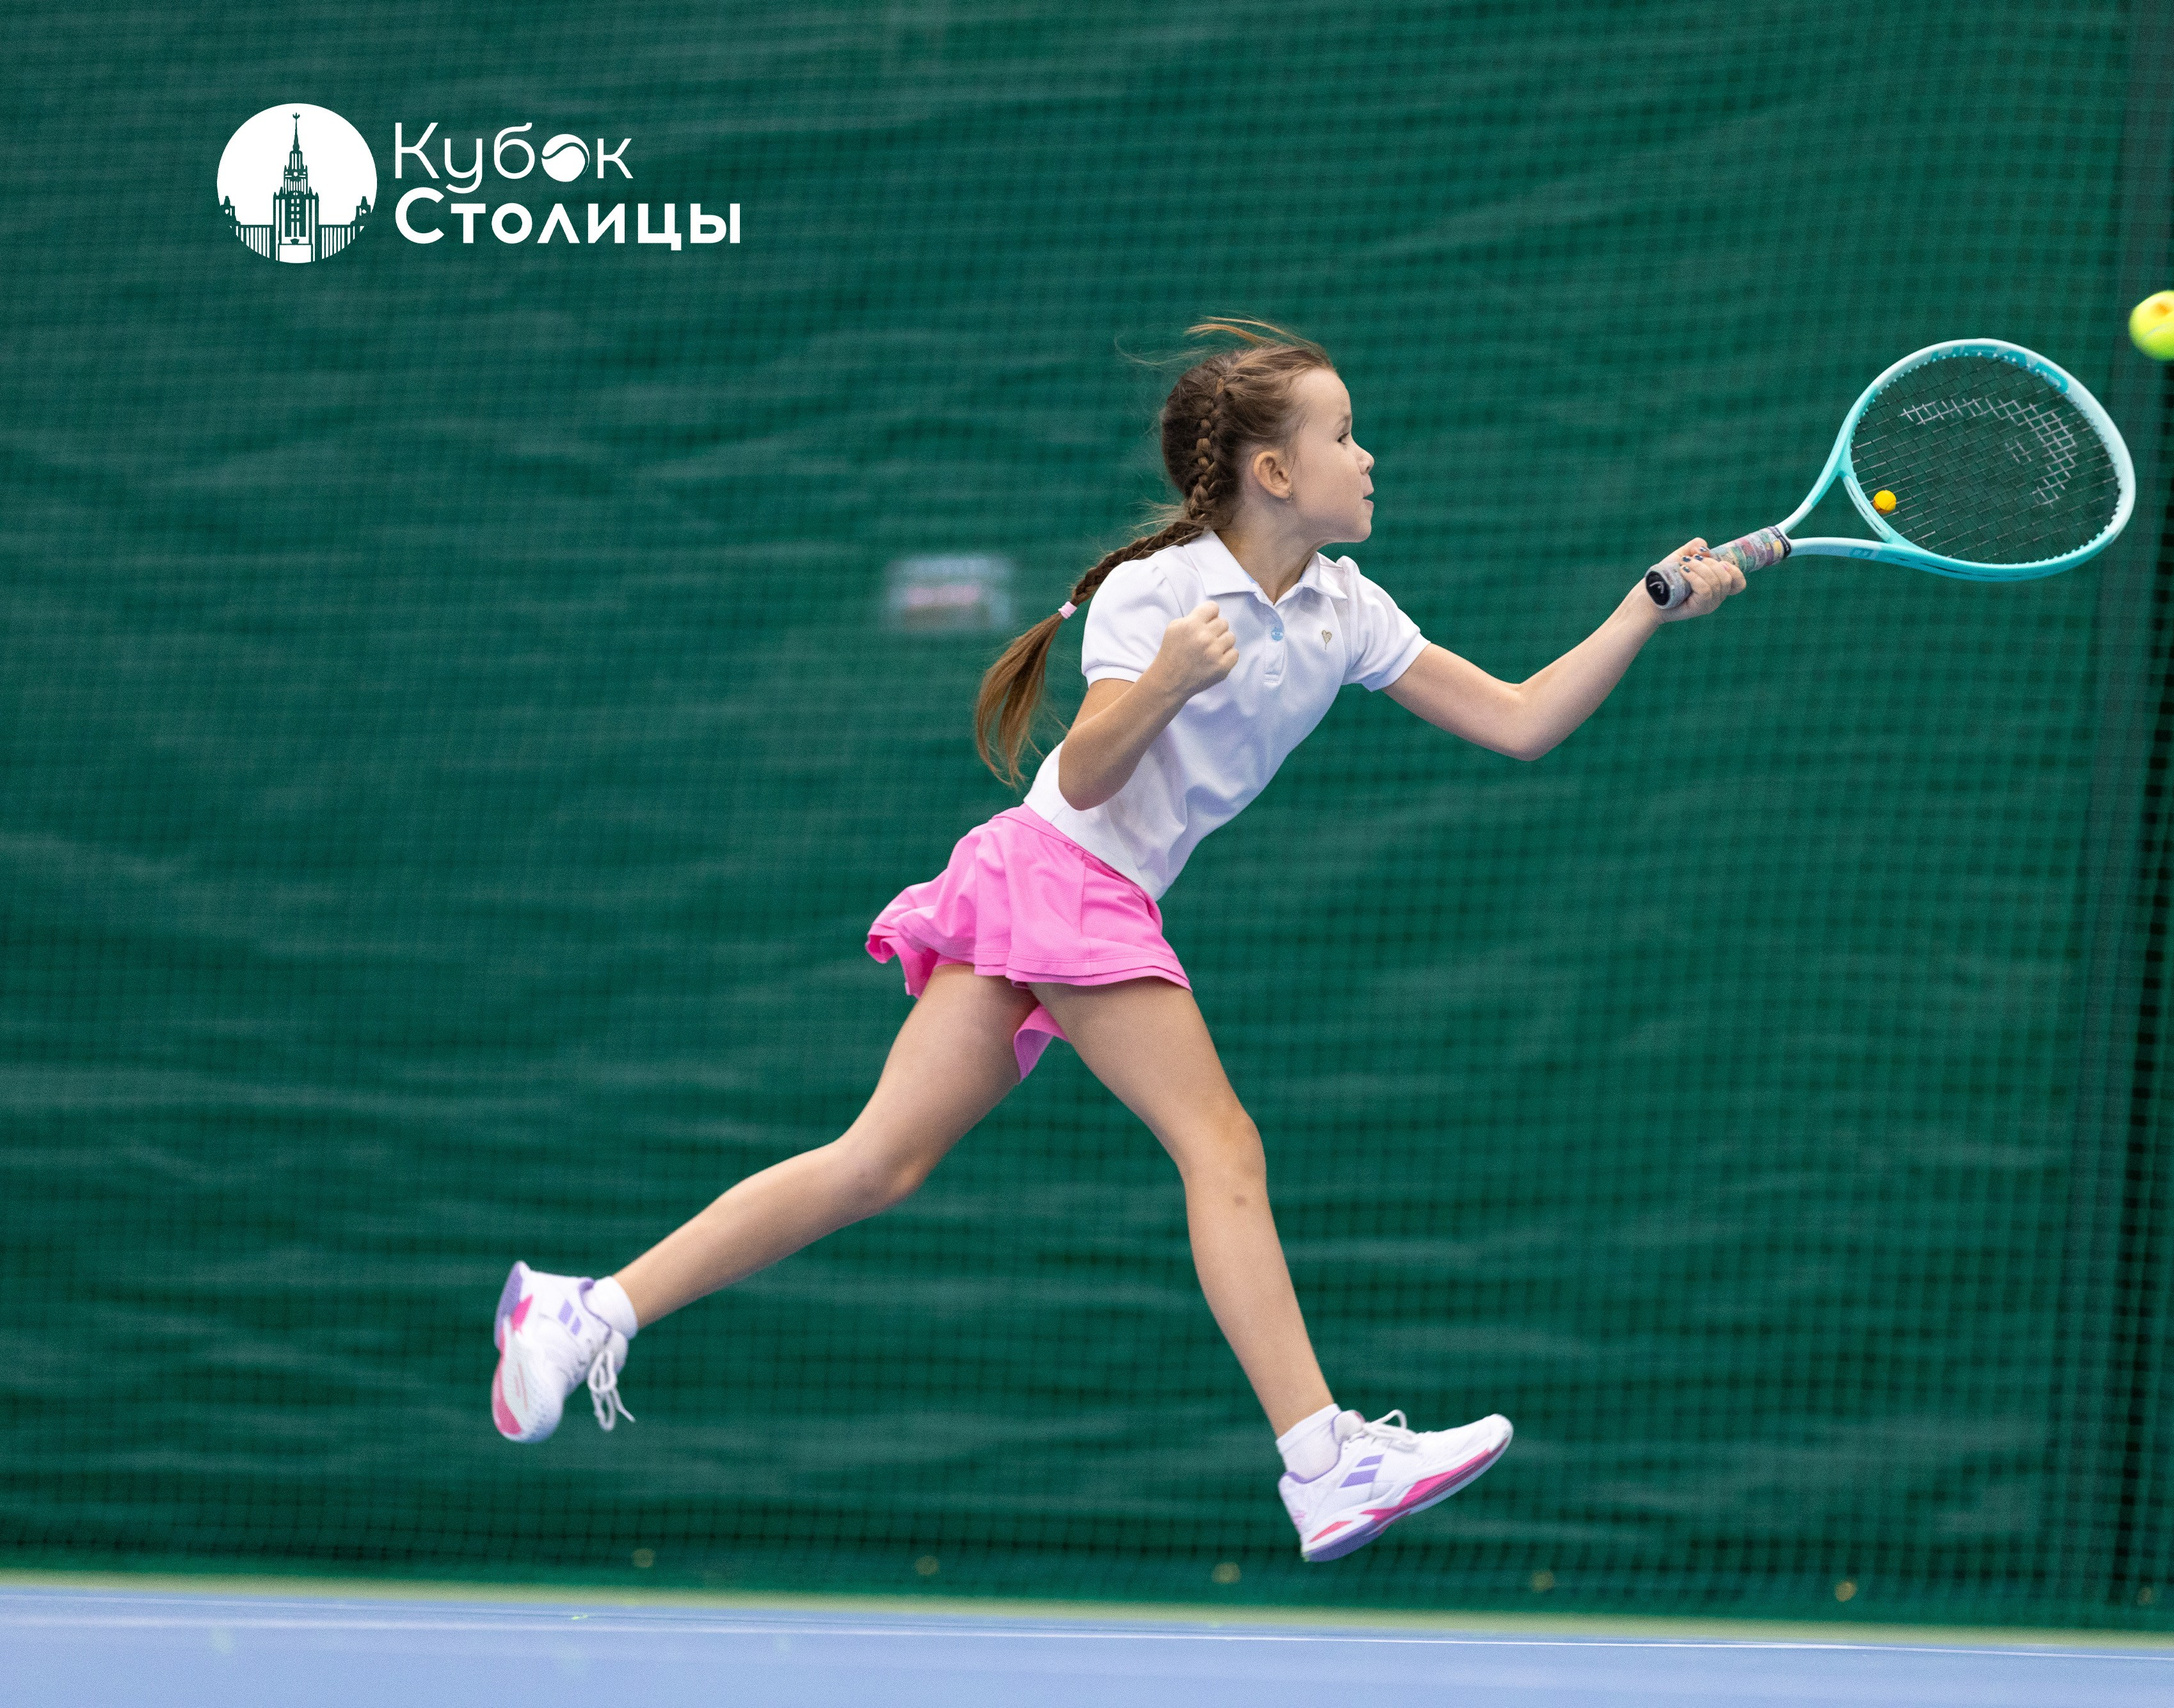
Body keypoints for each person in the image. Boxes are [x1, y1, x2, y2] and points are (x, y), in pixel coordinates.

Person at [489, 320, 1746, 1562]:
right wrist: (1161, 684)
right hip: (1065, 872)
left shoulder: (1341, 607)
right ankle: (1322, 1458)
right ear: (1272, 471)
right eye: (1343, 434)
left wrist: (1646, 605)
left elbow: (1520, 720)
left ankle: (585, 1308)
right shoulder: (1158, 592)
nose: (1369, 457)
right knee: (1219, 1143)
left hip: (1066, 886)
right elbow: (1085, 776)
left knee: (878, 1162)